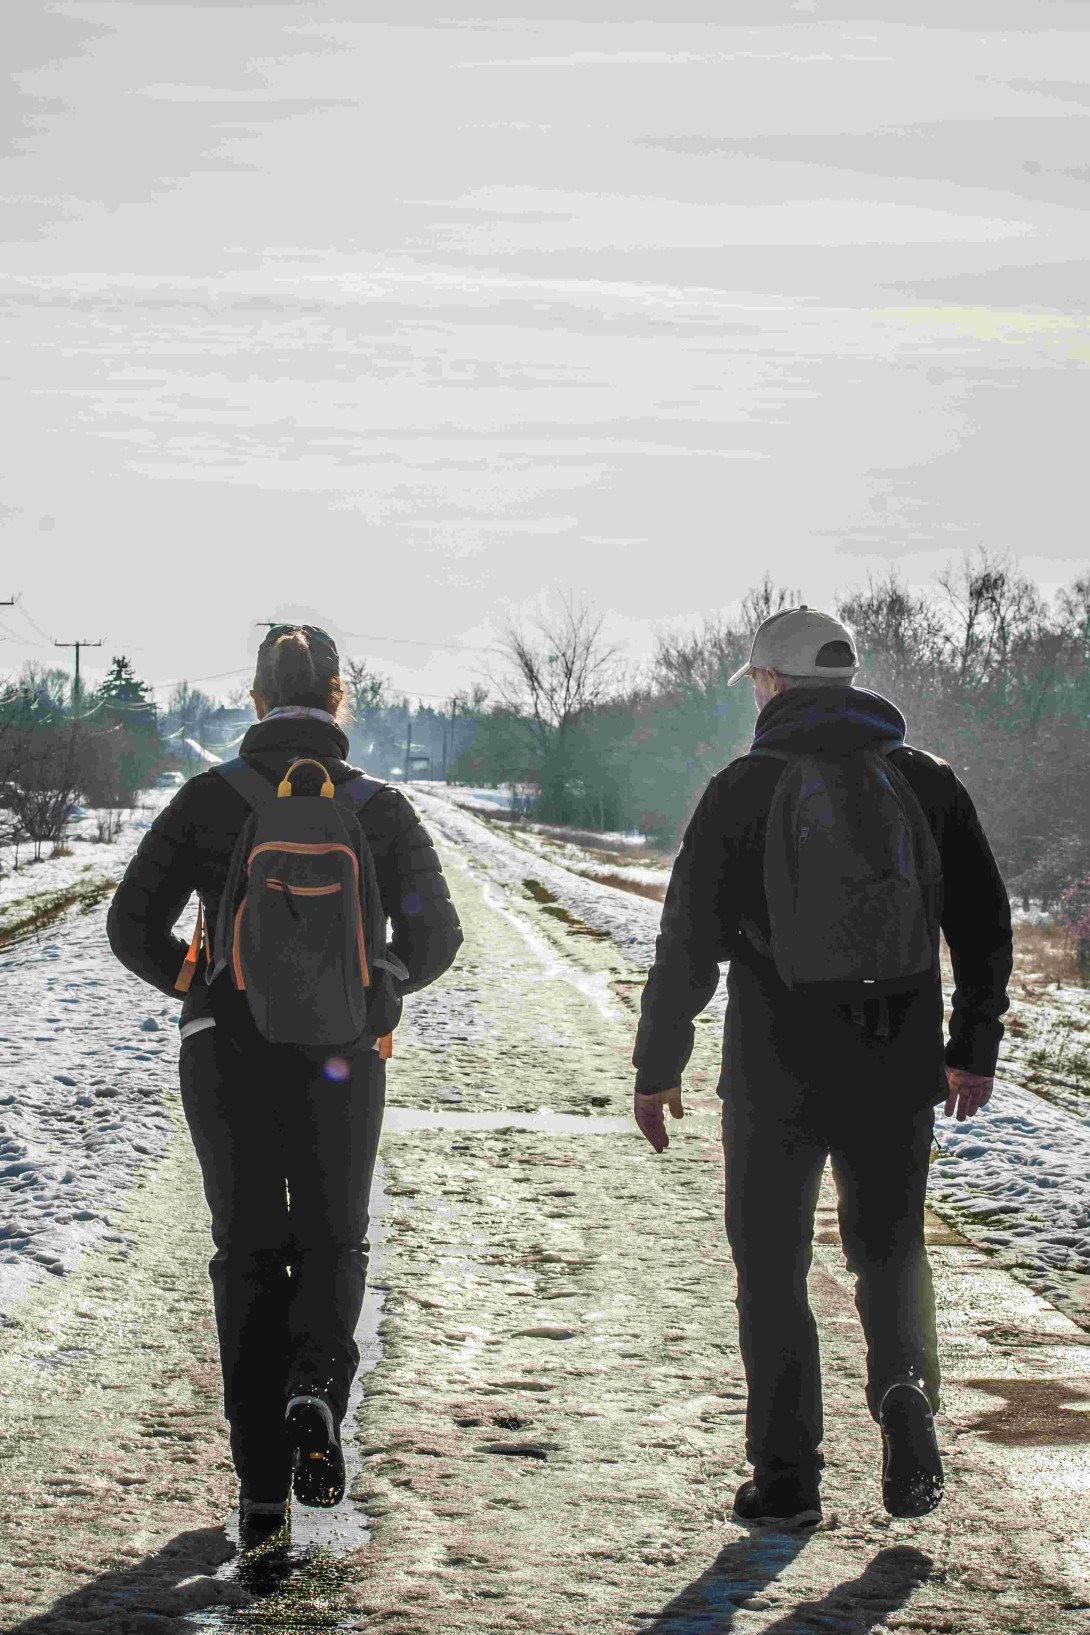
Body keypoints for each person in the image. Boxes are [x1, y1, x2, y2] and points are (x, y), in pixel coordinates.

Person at [631, 606, 1011, 1529]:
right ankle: (904, 1392)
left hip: (775, 1069)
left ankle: (786, 1480)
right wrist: (972, 1047)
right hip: (897, 1062)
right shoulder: (926, 781)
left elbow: (688, 941)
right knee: (892, 1247)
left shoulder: (740, 788)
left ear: (770, 683)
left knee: (772, 1268)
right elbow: (984, 925)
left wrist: (659, 1062)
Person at [107, 624, 462, 1548]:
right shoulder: (379, 806)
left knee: (249, 1250)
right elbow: (438, 936)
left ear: (257, 699)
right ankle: (316, 1388)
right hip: (343, 1054)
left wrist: (198, 983)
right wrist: (375, 987)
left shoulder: (208, 798)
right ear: (340, 697)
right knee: (335, 1235)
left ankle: (261, 1489)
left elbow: (129, 923)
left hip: (226, 1050)